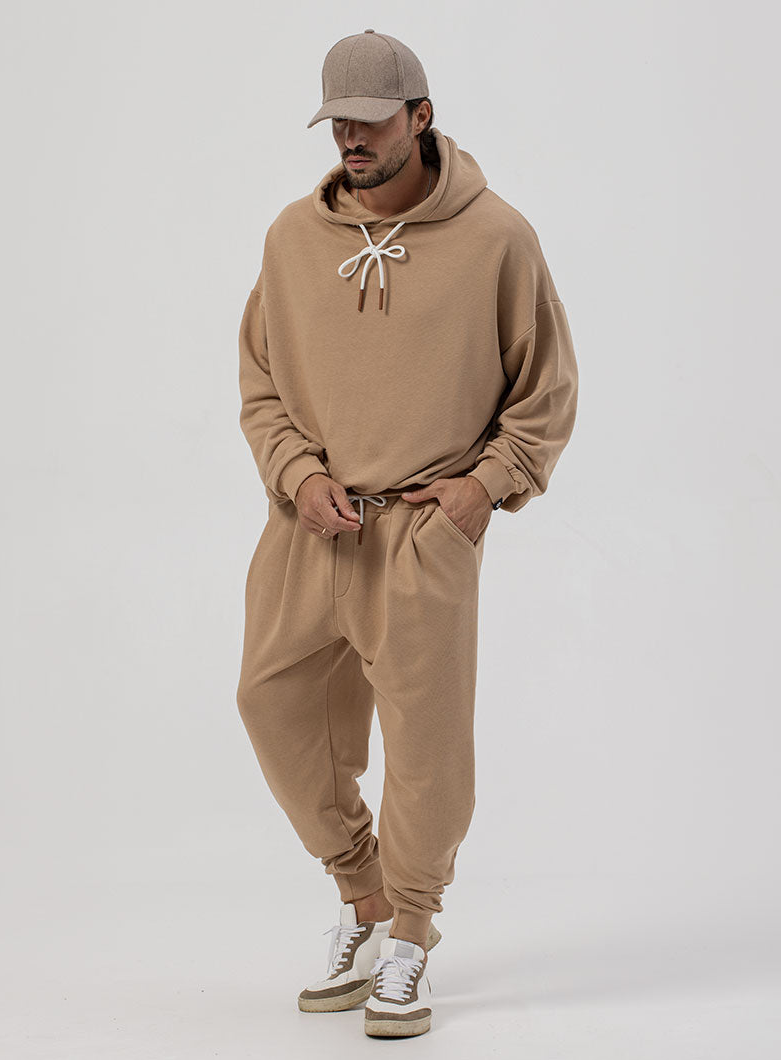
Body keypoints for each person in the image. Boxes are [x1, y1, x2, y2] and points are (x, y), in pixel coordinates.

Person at [235, 28, 579, 1039]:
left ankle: (411, 935)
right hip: (309, 526)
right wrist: (297, 475)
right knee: (271, 701)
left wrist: (484, 489)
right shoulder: (291, 240)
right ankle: (364, 891)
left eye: (370, 122)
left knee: (425, 747)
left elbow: (545, 391)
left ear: (420, 117)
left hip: (424, 531)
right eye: (336, 122)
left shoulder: (496, 239)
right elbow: (260, 384)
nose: (350, 139)